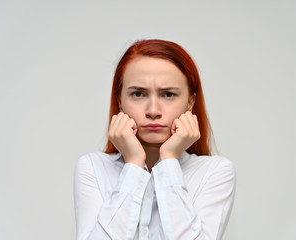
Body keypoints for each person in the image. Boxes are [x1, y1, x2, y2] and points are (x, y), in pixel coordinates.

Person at [74, 39, 236, 240]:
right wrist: (133, 163)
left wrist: (169, 159)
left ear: (190, 103)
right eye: (138, 94)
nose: (152, 111)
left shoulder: (214, 172)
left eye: (168, 94)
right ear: (120, 101)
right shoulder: (93, 167)